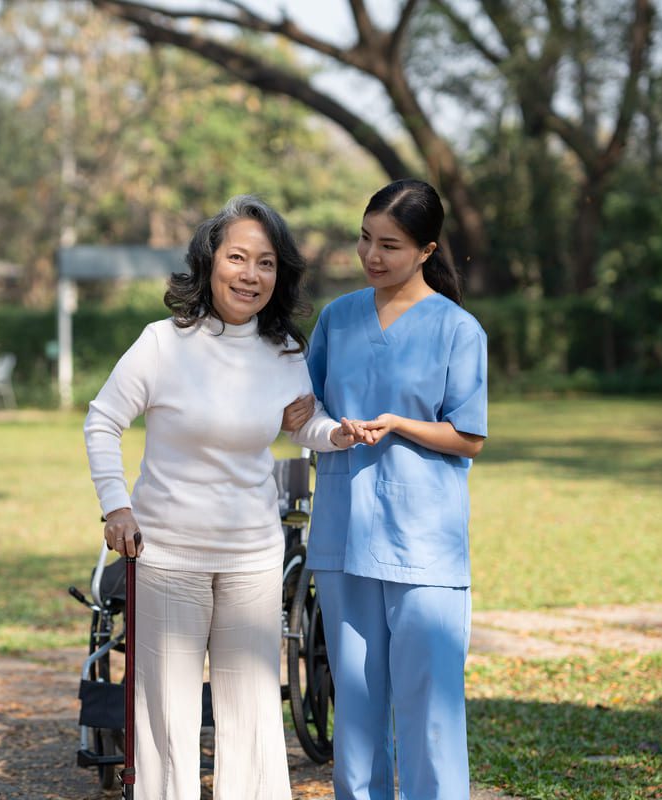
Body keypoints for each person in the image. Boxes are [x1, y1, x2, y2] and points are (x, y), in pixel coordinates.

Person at [84, 195, 355, 800]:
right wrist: (115, 505)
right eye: (237, 257)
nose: (250, 274)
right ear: (209, 262)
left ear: (278, 274)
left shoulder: (285, 351)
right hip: (167, 555)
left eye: (265, 263)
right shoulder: (162, 343)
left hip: (252, 556)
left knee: (254, 710)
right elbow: (102, 421)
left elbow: (300, 426)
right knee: (168, 713)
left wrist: (337, 433)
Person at [283, 178, 488, 799]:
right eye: (365, 240)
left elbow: (469, 437)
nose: (372, 256)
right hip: (346, 534)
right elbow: (303, 410)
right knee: (360, 704)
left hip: (425, 542)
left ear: (427, 250)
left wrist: (398, 424)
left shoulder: (458, 330)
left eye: (390, 245)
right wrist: (315, 423)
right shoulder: (338, 319)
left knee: (431, 707)